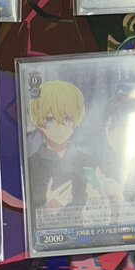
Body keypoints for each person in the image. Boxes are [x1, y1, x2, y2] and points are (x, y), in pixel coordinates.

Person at [27, 80, 95, 211]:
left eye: (67, 119)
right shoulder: (31, 164)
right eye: (50, 120)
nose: (60, 127)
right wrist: (47, 207)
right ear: (39, 121)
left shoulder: (88, 162)